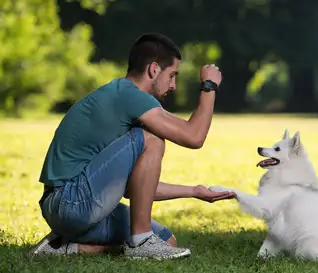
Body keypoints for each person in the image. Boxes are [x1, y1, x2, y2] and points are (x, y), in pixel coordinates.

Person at [31, 33, 235, 260]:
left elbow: (135, 188)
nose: (174, 85)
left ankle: (63, 248)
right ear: (154, 69)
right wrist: (209, 85)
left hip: (74, 208)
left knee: (167, 241)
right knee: (152, 138)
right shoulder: (130, 96)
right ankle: (140, 242)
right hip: (70, 203)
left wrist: (194, 192)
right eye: (172, 75)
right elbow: (194, 137)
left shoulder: (129, 100)